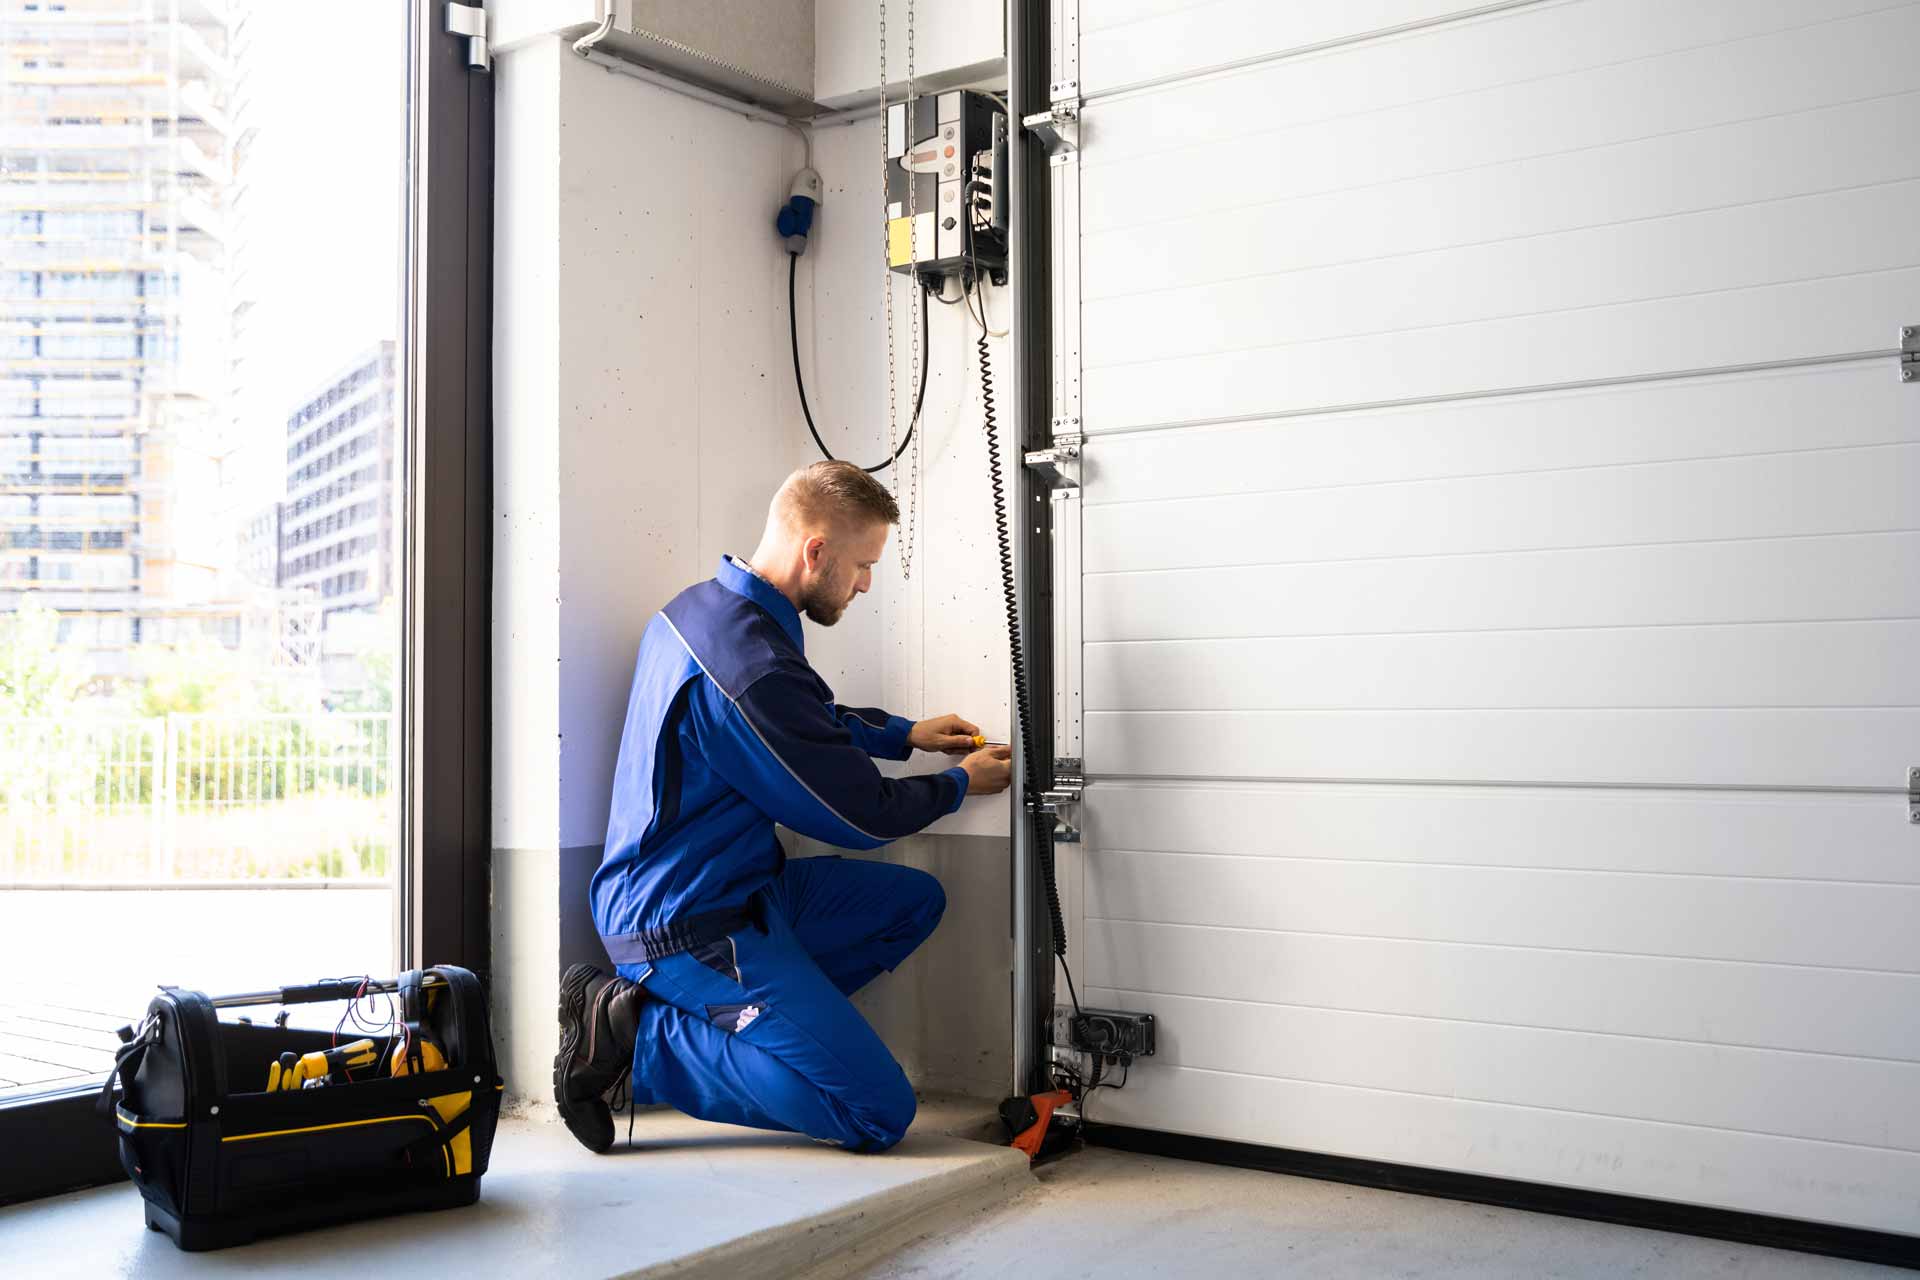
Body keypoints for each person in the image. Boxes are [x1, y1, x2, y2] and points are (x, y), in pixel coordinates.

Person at [555, 461, 1014, 1154]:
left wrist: (904, 735)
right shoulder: (748, 667)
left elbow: (803, 722)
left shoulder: (704, 610)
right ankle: (638, 1039)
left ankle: (763, 1031)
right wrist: (957, 784)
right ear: (816, 551)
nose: (865, 584)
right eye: (863, 565)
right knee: (877, 1112)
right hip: (682, 925)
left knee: (912, 902)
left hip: (744, 890)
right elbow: (861, 817)